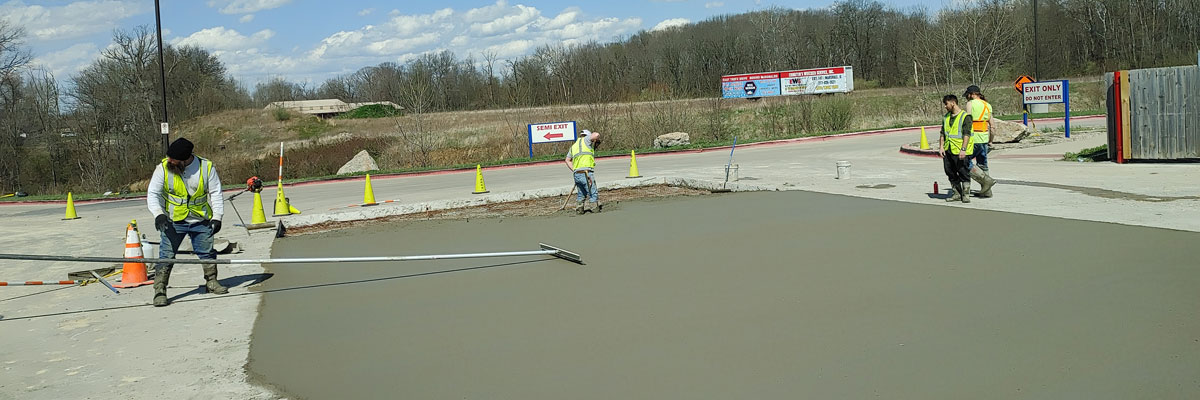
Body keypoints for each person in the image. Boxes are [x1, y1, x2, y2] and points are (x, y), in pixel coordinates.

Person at [146, 138, 227, 307]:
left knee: (207, 253)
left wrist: (217, 217)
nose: (169, 161)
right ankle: (160, 290)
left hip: (201, 220)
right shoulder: (163, 168)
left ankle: (211, 282)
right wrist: (158, 214)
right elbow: (153, 193)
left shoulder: (206, 168)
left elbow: (216, 193)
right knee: (166, 256)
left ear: (185, 159)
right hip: (173, 220)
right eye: (169, 157)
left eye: (173, 159)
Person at [938, 95, 974, 203]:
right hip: (948, 150)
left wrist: (963, 149)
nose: (945, 106)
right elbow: (943, 133)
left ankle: (966, 194)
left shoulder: (965, 116)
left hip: (960, 150)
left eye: (946, 104)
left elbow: (966, 134)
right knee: (949, 171)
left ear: (953, 103)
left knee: (963, 172)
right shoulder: (946, 117)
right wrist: (941, 147)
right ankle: (956, 193)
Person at [964, 85, 997, 197]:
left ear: (972, 94)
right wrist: (990, 141)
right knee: (983, 164)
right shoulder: (987, 105)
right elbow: (992, 127)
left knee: (964, 161)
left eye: (967, 95)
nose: (967, 98)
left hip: (973, 138)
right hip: (984, 139)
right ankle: (987, 192)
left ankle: (985, 181)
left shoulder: (970, 104)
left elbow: (968, 121)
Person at [565, 130, 601, 214]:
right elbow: (596, 134)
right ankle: (594, 208)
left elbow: (567, 160)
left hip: (577, 174)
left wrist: (574, 169)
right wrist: (593, 138)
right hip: (586, 173)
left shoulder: (574, 146)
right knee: (593, 192)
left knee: (581, 193)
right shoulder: (586, 140)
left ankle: (579, 209)